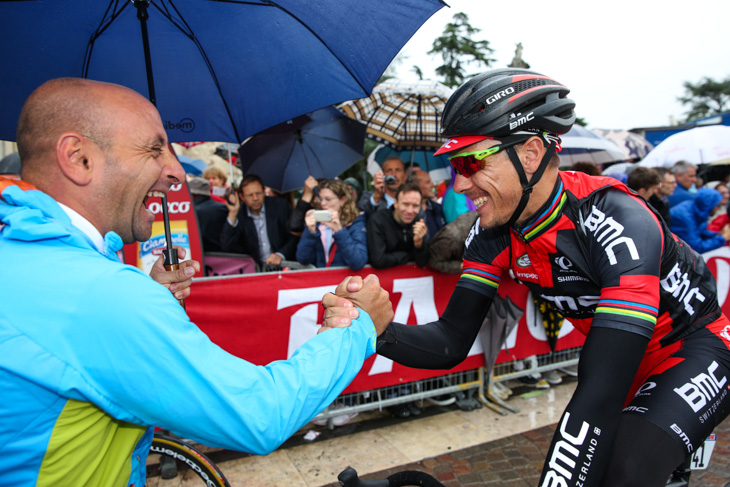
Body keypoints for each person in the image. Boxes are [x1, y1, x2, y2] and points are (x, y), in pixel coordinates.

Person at [323, 68, 730, 486]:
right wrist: (378, 329)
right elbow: (450, 342)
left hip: (696, 349)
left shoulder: (616, 219)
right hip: (625, 361)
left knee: (624, 469)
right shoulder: (490, 234)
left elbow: (599, 392)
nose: (460, 182)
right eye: (452, 164)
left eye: (470, 161)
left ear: (531, 153)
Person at [0, 78, 394, 486]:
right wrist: (358, 325)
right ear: (79, 159)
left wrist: (146, 300)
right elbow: (260, 414)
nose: (174, 171)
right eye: (154, 149)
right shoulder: (100, 294)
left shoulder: (27, 253)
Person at [221, 173, 298, 269]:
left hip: (284, 267)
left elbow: (295, 236)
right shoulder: (240, 214)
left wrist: (281, 254)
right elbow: (227, 246)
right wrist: (232, 213)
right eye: (250, 195)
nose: (255, 198)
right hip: (256, 270)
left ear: (264, 191)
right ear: (241, 197)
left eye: (258, 193)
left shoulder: (280, 206)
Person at [296, 179, 368, 270]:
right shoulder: (316, 222)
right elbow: (303, 259)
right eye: (320, 199)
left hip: (345, 281)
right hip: (323, 281)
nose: (323, 203)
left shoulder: (356, 221)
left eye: (328, 199)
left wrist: (340, 231)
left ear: (342, 200)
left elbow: (358, 262)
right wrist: (311, 232)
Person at [366, 182, 430, 269]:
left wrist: (419, 244)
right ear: (396, 203)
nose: (410, 210)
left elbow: (423, 262)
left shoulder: (419, 222)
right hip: (383, 280)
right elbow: (378, 260)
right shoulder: (377, 220)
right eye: (405, 204)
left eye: (415, 206)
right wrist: (410, 255)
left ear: (420, 207)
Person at [670, 187, 730, 253]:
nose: (718, 208)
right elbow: (695, 248)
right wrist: (723, 238)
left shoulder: (699, 211)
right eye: (718, 205)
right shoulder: (685, 217)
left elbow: (701, 232)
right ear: (709, 205)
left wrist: (718, 234)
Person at [188, 176, 228, 253]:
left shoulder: (191, 212)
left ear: (192, 195)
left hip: (200, 256)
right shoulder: (223, 208)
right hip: (224, 256)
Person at [411, 169, 446, 237]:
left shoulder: (437, 208)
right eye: (427, 182)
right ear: (416, 186)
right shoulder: (409, 213)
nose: (433, 185)